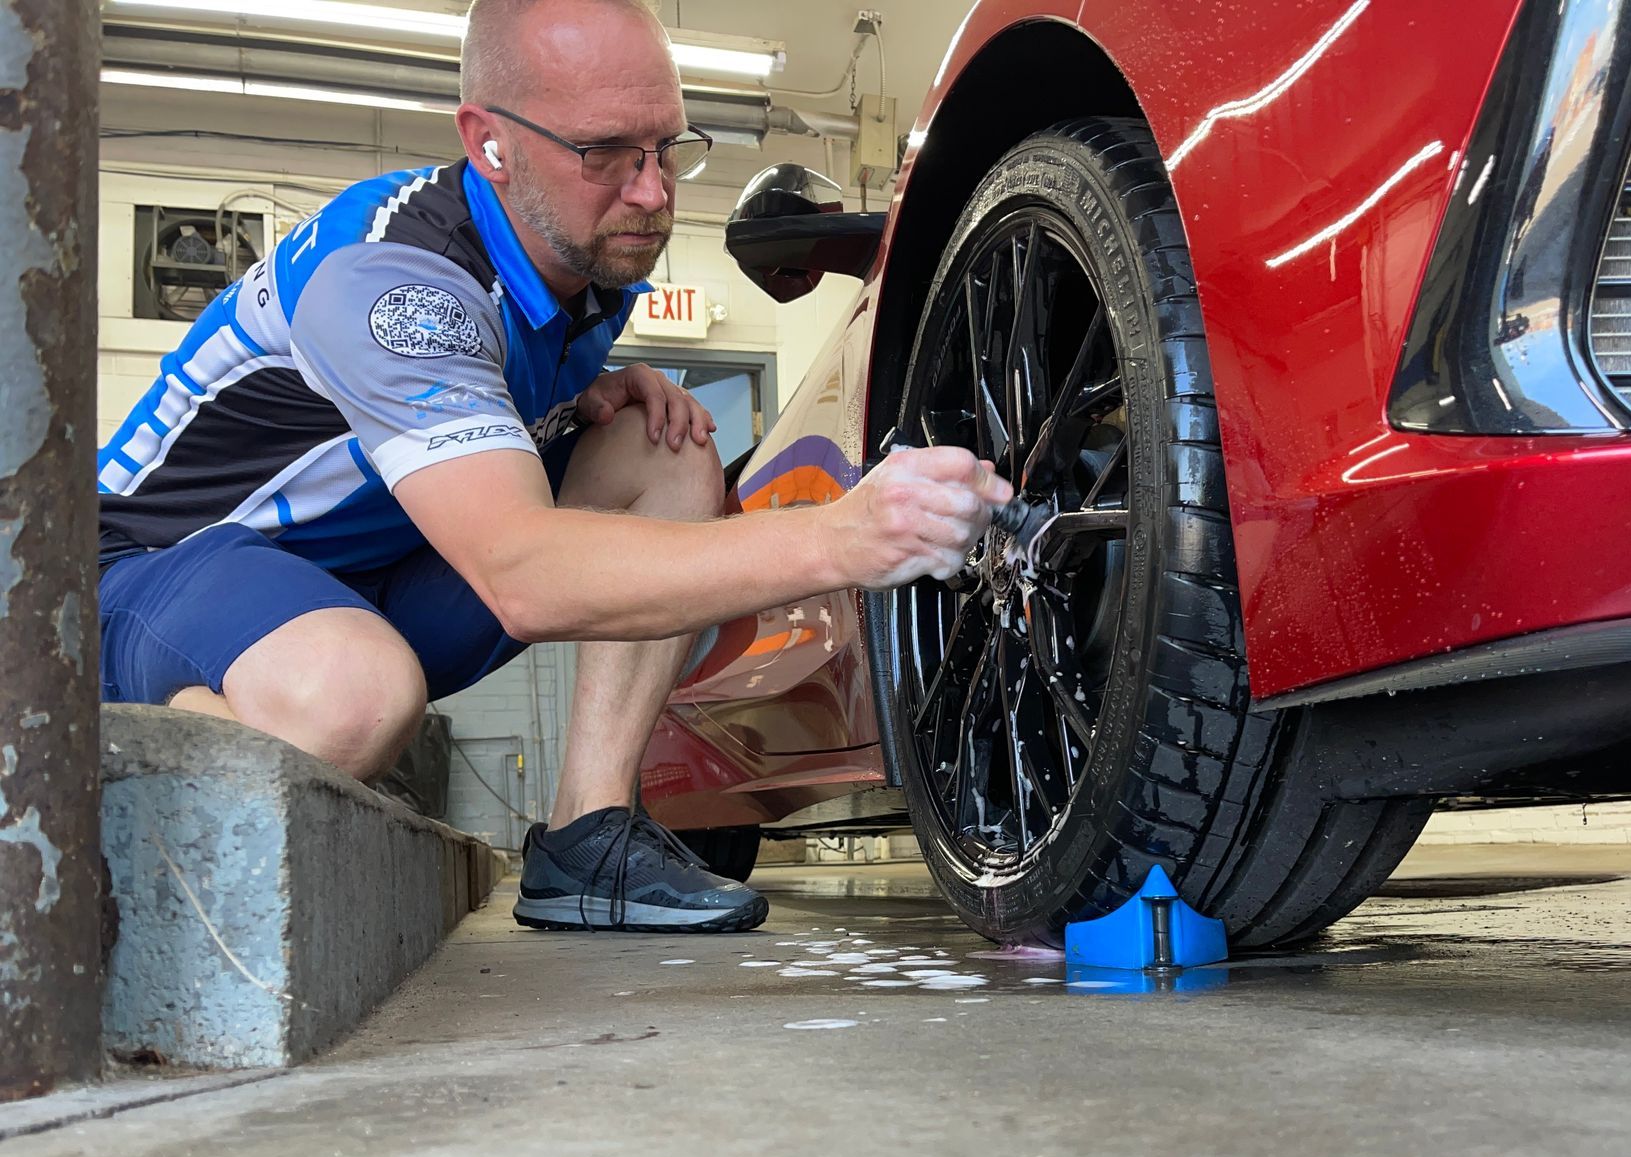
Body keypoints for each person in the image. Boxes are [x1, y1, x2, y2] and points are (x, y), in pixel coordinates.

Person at [93, 0, 1011, 936]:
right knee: (354, 698)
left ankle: (586, 835)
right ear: (489, 143)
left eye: (666, 148)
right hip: (157, 569)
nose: (652, 192)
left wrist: (577, 400)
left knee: (669, 447)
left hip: (366, 576)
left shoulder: (586, 266)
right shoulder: (393, 284)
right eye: (606, 153)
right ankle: (84, 780)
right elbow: (524, 575)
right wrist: (847, 534)